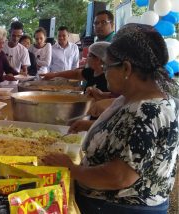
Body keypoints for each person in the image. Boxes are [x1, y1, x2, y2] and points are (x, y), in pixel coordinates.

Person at [43, 23, 179, 214]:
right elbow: (130, 135)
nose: (104, 72)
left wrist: (71, 169)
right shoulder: (143, 97)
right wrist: (90, 125)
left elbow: (119, 176)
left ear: (126, 69)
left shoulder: (148, 111)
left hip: (119, 207)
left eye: (107, 66)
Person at [41, 41, 110, 92]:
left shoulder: (107, 78)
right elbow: (76, 73)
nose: (86, 58)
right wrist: (54, 75)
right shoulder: (92, 71)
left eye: (89, 56)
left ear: (98, 59)